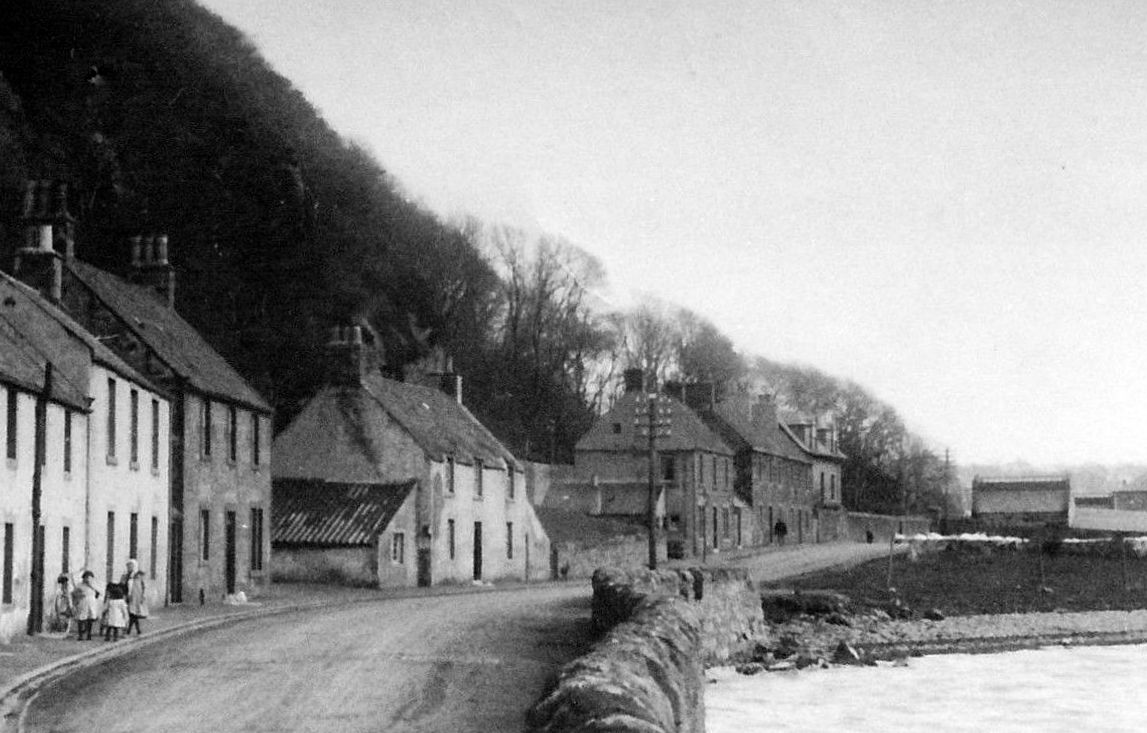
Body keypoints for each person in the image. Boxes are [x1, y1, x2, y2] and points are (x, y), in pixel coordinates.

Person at [120, 559, 148, 636]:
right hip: (126, 596)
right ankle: (136, 630)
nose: (129, 567)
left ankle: (129, 631)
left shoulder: (138, 576)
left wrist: (142, 596)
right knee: (131, 613)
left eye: (130, 565)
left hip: (135, 597)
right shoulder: (125, 575)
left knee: (132, 613)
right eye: (128, 565)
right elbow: (122, 585)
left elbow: (142, 586)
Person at [72, 571, 101, 641]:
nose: (88, 579)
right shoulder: (80, 585)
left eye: (90, 578)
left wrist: (91, 586)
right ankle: (80, 635)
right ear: (83, 578)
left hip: (91, 603)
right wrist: (78, 596)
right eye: (86, 577)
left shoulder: (94, 585)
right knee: (81, 619)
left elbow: (98, 593)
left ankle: (89, 635)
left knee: (90, 619)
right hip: (83, 602)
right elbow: (74, 593)